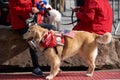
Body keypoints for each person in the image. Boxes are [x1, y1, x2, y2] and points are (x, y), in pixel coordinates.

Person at [8, 0, 56, 76]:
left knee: (53, 29)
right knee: (33, 43)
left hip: (35, 23)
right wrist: (30, 10)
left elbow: (40, 8)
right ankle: (36, 67)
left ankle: (54, 64)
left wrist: (43, 9)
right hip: (21, 24)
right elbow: (14, 9)